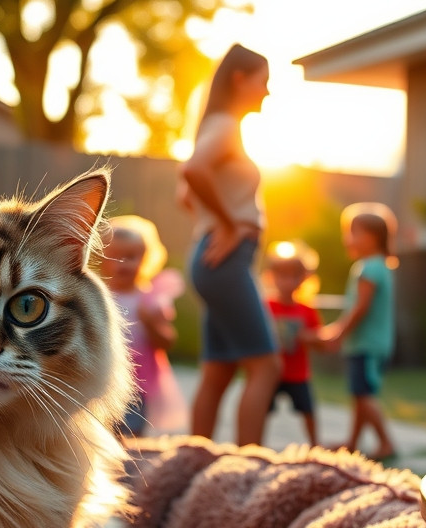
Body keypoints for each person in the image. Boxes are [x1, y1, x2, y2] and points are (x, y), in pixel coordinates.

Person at [179, 44, 281, 446]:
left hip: (215, 261)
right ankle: (250, 465)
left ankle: (195, 459)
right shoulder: (224, 125)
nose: (268, 92)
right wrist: (228, 223)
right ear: (240, 79)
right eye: (265, 81)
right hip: (224, 262)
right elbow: (192, 171)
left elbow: (182, 194)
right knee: (266, 367)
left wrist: (212, 220)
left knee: (219, 370)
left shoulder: (212, 126)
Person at [319, 204, 398, 461]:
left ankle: (386, 443)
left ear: (372, 237)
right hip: (367, 343)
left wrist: (339, 332)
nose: (348, 239)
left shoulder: (370, 268)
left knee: (364, 396)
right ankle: (352, 443)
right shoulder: (374, 266)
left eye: (354, 232)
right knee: (359, 395)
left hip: (367, 344)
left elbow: (360, 307)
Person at [100, 216, 187, 438]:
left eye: (130, 257)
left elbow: (167, 341)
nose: (123, 264)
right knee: (104, 430)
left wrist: (150, 323)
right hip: (104, 379)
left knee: (133, 432)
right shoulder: (99, 297)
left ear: (145, 259)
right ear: (102, 260)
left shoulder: (150, 299)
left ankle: (131, 469)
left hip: (139, 384)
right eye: (114, 257)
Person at [263, 241, 324, 447]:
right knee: (261, 408)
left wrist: (310, 337)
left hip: (298, 374)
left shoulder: (307, 310)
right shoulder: (265, 307)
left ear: (303, 279)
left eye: (293, 276)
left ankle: (315, 445)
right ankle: (254, 444)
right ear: (272, 277)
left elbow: (320, 341)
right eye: (282, 276)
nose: (287, 282)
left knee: (308, 411)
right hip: (271, 373)